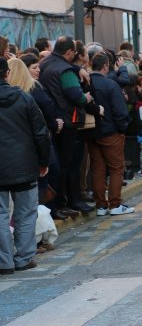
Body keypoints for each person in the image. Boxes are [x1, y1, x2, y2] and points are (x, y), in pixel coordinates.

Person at [0, 57, 50, 274]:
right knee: (26, 213)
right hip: (25, 165)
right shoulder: (24, 98)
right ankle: (24, 257)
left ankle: (4, 261)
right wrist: (43, 161)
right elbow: (41, 133)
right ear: (7, 74)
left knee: (0, 215)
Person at [39, 36, 94, 216]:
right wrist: (85, 98)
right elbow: (75, 95)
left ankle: (60, 203)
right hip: (69, 121)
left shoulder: (45, 63)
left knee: (60, 164)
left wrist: (77, 67)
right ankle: (70, 202)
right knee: (70, 164)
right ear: (70, 52)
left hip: (53, 120)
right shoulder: (65, 70)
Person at [85, 53, 134, 216]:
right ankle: (115, 204)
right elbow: (120, 111)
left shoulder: (85, 83)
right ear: (106, 66)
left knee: (97, 169)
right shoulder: (110, 84)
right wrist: (122, 129)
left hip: (91, 132)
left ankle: (101, 205)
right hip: (111, 132)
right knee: (115, 169)